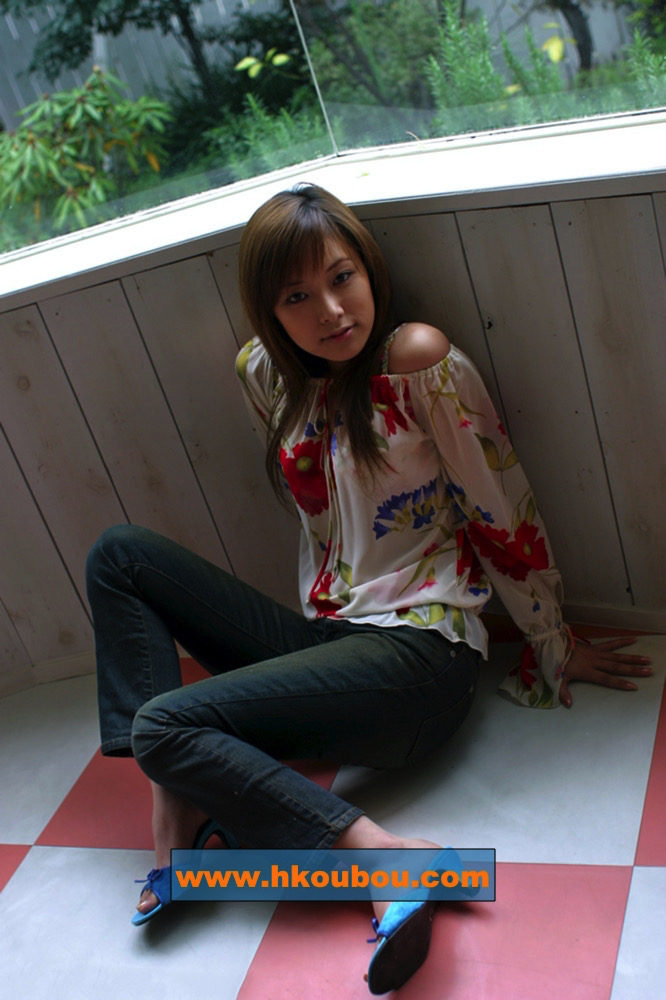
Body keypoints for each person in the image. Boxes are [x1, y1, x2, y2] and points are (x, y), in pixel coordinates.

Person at [86, 183, 652, 993]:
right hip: (333, 638)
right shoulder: (263, 374)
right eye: (296, 296)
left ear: (369, 269)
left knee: (164, 722)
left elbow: (498, 506)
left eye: (342, 277)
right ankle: (180, 795)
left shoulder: (416, 360)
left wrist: (551, 638)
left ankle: (383, 859)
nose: (330, 310)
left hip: (421, 657)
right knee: (118, 555)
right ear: (269, 312)